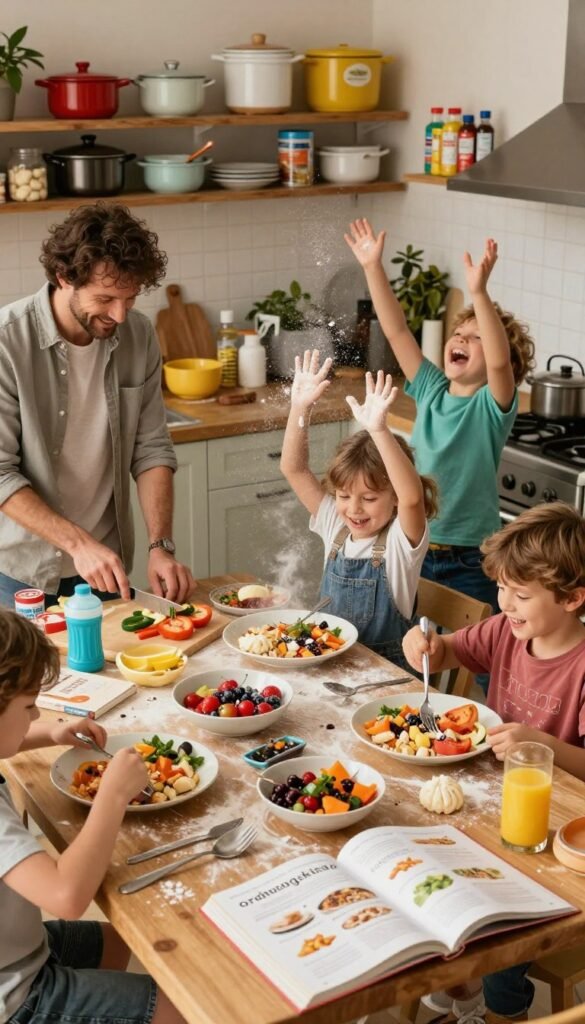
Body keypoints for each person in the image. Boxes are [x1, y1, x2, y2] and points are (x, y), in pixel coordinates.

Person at [402, 501, 585, 1023]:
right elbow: (450, 652)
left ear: (573, 598)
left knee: (502, 930)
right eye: (501, 587)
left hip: (556, 836)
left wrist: (538, 746)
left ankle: (503, 1011)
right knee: (427, 878)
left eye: (521, 594)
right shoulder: (506, 631)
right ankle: (460, 987)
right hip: (490, 810)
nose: (504, 602)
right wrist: (427, 648)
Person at [0, 202, 194, 609]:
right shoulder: (6, 343)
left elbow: (152, 448)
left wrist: (161, 545)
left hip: (105, 569)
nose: (119, 315)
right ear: (63, 277)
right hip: (18, 574)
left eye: (130, 297)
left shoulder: (139, 336)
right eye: (105, 298)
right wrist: (78, 544)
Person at [0, 608, 187, 1024]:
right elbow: (67, 897)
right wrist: (113, 795)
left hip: (20, 947)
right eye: (30, 706)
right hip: (13, 996)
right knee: (185, 1010)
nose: (35, 715)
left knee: (122, 941)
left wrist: (49, 733)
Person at [345, 218, 535, 621]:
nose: (462, 339)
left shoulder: (492, 405)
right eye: (459, 333)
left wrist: (479, 293)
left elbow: (499, 361)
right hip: (415, 544)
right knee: (411, 649)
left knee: (482, 656)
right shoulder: (431, 388)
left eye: (477, 336)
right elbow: (397, 333)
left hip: (471, 557)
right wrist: (371, 268)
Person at [280, 349, 438, 665]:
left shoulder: (400, 545)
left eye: (368, 498)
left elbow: (412, 498)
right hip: (329, 671)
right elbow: (293, 469)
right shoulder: (335, 527)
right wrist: (300, 408)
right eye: (343, 496)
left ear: (392, 497)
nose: (354, 509)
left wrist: (379, 430)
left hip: (384, 685)